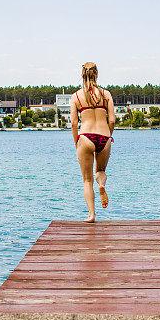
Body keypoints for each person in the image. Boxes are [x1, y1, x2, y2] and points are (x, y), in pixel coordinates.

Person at [71, 62, 116, 223]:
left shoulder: (76, 97)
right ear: (96, 74)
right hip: (104, 137)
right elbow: (111, 120)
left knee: (87, 180)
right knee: (100, 171)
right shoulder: (106, 94)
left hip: (85, 137)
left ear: (82, 75)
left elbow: (74, 123)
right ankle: (102, 184)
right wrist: (108, 136)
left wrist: (76, 141)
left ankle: (91, 215)